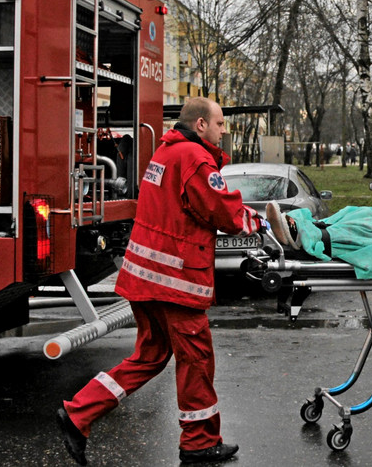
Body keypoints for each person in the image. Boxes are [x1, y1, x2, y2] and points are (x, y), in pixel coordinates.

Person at [55, 98, 263, 466]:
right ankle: (199, 443)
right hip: (175, 284)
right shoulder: (194, 158)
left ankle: (78, 413)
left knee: (148, 357)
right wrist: (258, 223)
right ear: (200, 124)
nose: (223, 130)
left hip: (145, 280)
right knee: (196, 360)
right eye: (218, 124)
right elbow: (223, 212)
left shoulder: (165, 155)